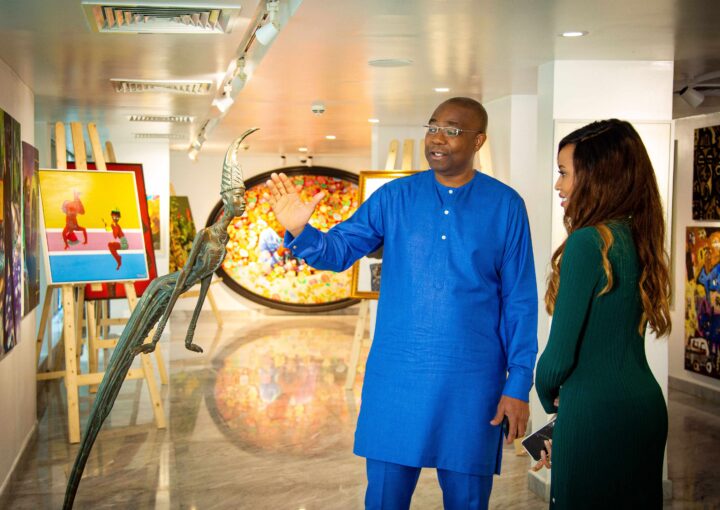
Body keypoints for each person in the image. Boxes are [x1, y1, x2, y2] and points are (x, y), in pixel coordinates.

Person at [266, 97, 538, 510]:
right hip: (397, 379)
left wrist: (517, 384)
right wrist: (302, 231)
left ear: (478, 140)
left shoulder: (505, 206)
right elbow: (338, 251)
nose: (437, 138)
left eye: (452, 130)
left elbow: (519, 301)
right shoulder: (394, 198)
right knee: (384, 500)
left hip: (471, 385)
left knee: (468, 500)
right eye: (433, 127)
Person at [533, 119, 671, 509]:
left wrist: (550, 399)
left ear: (596, 177)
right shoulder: (638, 238)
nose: (558, 185)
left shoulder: (587, 242)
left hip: (593, 414)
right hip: (644, 408)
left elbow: (557, 360)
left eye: (564, 173)